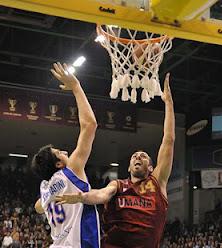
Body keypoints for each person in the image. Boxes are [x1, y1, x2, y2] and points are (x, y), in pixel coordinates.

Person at [56, 72, 175, 248]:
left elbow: (169, 140)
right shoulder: (118, 185)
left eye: (143, 156)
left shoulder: (158, 182)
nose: (137, 157)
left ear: (151, 168)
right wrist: (82, 197)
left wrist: (168, 103)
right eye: (134, 156)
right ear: (128, 167)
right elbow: (102, 194)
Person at [31, 62, 99, 248]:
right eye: (59, 152)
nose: (65, 152)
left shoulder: (46, 188)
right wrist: (76, 87)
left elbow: (38, 207)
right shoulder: (72, 170)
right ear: (59, 164)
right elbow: (90, 125)